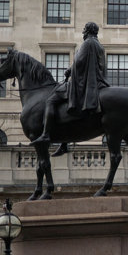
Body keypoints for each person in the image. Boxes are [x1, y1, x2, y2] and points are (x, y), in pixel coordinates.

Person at [31, 21, 111, 155]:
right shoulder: (99, 45)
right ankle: (64, 143)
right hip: (94, 82)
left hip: (84, 83)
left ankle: (45, 134)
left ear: (88, 31)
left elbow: (79, 62)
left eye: (84, 29)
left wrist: (69, 70)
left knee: (51, 100)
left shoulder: (88, 43)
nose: (83, 32)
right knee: (64, 109)